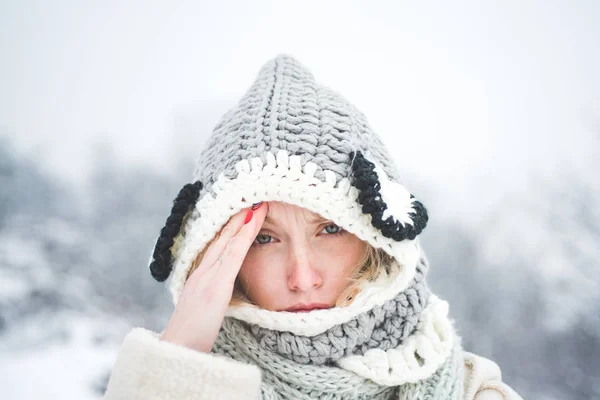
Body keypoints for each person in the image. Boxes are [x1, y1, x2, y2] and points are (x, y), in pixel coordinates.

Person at [102, 54, 523, 400]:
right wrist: (180, 355)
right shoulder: (164, 376)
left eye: (330, 230)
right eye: (264, 238)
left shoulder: (471, 390)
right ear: (216, 250)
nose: (302, 278)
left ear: (377, 236)